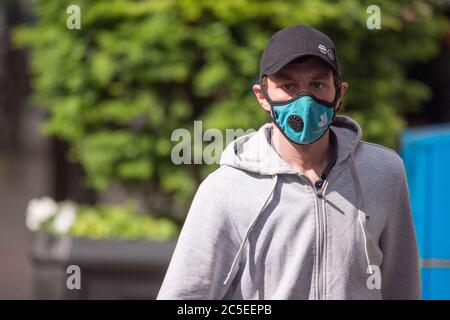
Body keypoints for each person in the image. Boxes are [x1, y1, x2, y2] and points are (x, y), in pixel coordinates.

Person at [157, 24, 421, 300]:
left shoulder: (384, 172)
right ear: (262, 96)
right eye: (288, 85)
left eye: (317, 84)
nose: (304, 100)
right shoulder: (224, 189)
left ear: (339, 94)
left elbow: (402, 286)